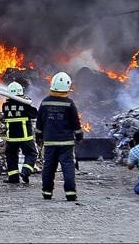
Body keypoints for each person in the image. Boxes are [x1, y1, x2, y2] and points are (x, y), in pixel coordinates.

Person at [36, 72, 83, 201]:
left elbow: (39, 121)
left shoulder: (45, 102)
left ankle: (47, 192)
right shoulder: (69, 103)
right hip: (66, 143)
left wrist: (38, 136)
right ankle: (70, 193)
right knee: (68, 167)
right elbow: (75, 123)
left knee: (49, 167)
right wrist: (79, 136)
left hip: (50, 142)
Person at [1, 82, 38, 184]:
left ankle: (13, 178)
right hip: (25, 137)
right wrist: (28, 102)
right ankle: (25, 171)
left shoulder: (5, 106)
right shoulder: (25, 105)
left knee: (11, 156)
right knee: (31, 154)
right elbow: (34, 114)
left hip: (11, 138)